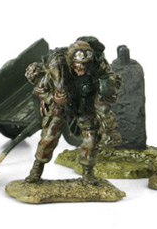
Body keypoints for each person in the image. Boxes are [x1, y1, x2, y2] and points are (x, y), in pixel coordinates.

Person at [26, 40, 117, 183]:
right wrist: (53, 98)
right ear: (70, 62)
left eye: (85, 64)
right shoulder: (58, 70)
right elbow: (40, 89)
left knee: (91, 139)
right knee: (49, 137)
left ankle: (88, 174)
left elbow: (110, 82)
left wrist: (108, 94)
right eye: (77, 64)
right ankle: (36, 171)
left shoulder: (97, 69)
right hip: (62, 107)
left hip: (85, 106)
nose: (81, 68)